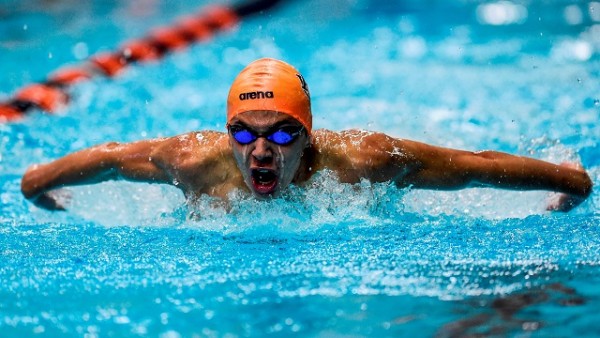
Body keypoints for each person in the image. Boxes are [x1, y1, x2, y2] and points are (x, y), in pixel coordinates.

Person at [21, 58, 593, 212]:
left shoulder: (363, 161)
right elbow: (112, 158)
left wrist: (572, 181)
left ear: (310, 135)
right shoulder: (196, 162)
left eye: (282, 135)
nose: (262, 151)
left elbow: (473, 166)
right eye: (243, 136)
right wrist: (36, 188)